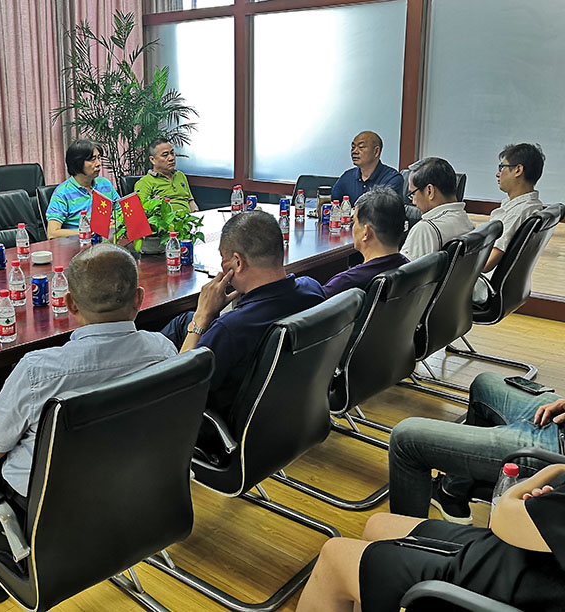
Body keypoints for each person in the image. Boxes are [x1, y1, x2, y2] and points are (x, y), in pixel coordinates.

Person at [0, 243, 177, 603]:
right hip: (135, 493)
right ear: (139, 298)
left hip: (45, 513)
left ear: (69, 304)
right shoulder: (164, 351)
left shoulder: (38, 370)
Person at [296, 463, 565, 612]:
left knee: (334, 558)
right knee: (378, 525)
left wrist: (549, 471)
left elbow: (501, 518)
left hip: (521, 590)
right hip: (530, 558)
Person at [162, 210, 325, 428]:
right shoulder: (313, 289)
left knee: (191, 323)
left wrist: (202, 317)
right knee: (185, 321)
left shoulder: (230, 329)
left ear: (237, 262)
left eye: (223, 258)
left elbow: (176, 393)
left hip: (224, 429)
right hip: (295, 415)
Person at [388, 372, 564, 524]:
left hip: (556, 451)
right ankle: (452, 492)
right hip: (559, 423)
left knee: (405, 439)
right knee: (485, 383)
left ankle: (404, 542)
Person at [473, 143, 546, 305]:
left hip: (483, 287)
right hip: (511, 290)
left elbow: (485, 264)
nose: (497, 174)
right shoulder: (533, 206)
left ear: (518, 170)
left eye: (502, 167)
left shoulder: (517, 213)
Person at [321, 186, 409, 298]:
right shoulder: (412, 270)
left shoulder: (345, 283)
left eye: (354, 222)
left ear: (366, 232)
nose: (353, 227)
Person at [400, 157, 474, 261]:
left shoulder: (426, 229)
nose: (413, 202)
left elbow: (401, 270)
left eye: (413, 194)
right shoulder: (465, 221)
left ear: (430, 191)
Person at [46, 139, 119, 239]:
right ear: (78, 162)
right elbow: (52, 233)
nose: (98, 163)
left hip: (108, 242)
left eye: (99, 158)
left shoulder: (105, 184)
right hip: (78, 245)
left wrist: (117, 222)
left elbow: (122, 213)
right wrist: (89, 231)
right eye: (92, 159)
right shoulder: (62, 193)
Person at [331, 131, 403, 204]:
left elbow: (385, 208)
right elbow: (333, 202)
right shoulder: (347, 176)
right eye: (353, 147)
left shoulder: (392, 179)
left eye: (361, 147)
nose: (354, 151)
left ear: (376, 151)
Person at [134, 138, 197, 212]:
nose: (171, 158)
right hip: (167, 218)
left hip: (189, 217)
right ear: (152, 160)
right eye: (165, 155)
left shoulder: (180, 175)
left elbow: (190, 201)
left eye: (172, 153)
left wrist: (197, 214)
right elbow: (141, 211)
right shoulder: (145, 182)